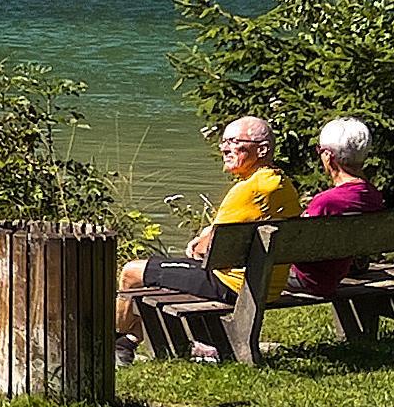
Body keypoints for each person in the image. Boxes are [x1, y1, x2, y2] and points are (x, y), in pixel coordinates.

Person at [116, 114, 300, 356]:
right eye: (224, 141)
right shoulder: (283, 185)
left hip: (231, 284)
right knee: (165, 269)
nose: (225, 148)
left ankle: (116, 341)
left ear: (262, 149)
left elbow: (207, 249)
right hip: (270, 286)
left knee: (131, 272)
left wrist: (199, 242)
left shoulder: (248, 190)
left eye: (234, 142)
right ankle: (133, 338)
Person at [292, 116, 385, 296]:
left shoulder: (326, 202)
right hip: (340, 271)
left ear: (328, 156)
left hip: (310, 278)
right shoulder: (373, 195)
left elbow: (298, 243)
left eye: (319, 150)